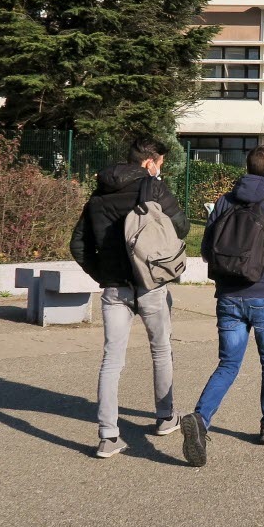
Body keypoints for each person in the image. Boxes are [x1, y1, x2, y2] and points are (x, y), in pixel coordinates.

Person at [70, 137, 191, 459]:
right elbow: (182, 227)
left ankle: (108, 436)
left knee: (111, 361)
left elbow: (78, 245)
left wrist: (102, 275)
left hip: (113, 289)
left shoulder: (98, 194)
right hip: (150, 283)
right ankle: (166, 417)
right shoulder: (153, 189)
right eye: (160, 163)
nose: (160, 168)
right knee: (161, 350)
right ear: (149, 162)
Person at [180, 145, 264, 467]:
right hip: (263, 296)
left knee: (228, 364)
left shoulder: (223, 202)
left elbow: (205, 249)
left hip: (228, 296)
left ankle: (201, 419)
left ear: (246, 168)